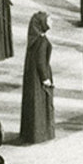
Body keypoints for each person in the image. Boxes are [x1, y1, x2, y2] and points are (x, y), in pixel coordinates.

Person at [19, 12, 54, 144]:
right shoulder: (42, 42)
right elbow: (41, 62)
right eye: (49, 20)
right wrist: (46, 78)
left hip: (32, 77)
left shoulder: (34, 40)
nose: (51, 22)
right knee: (41, 105)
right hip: (39, 77)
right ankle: (41, 133)